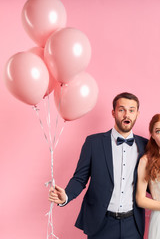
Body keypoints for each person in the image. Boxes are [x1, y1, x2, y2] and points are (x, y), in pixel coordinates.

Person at [49, 92, 148, 239]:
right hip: (101, 224)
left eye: (131, 110)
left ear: (137, 114)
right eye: (121, 110)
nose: (127, 114)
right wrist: (66, 197)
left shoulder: (146, 145)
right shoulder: (93, 143)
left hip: (132, 225)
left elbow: (152, 183)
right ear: (113, 112)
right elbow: (80, 179)